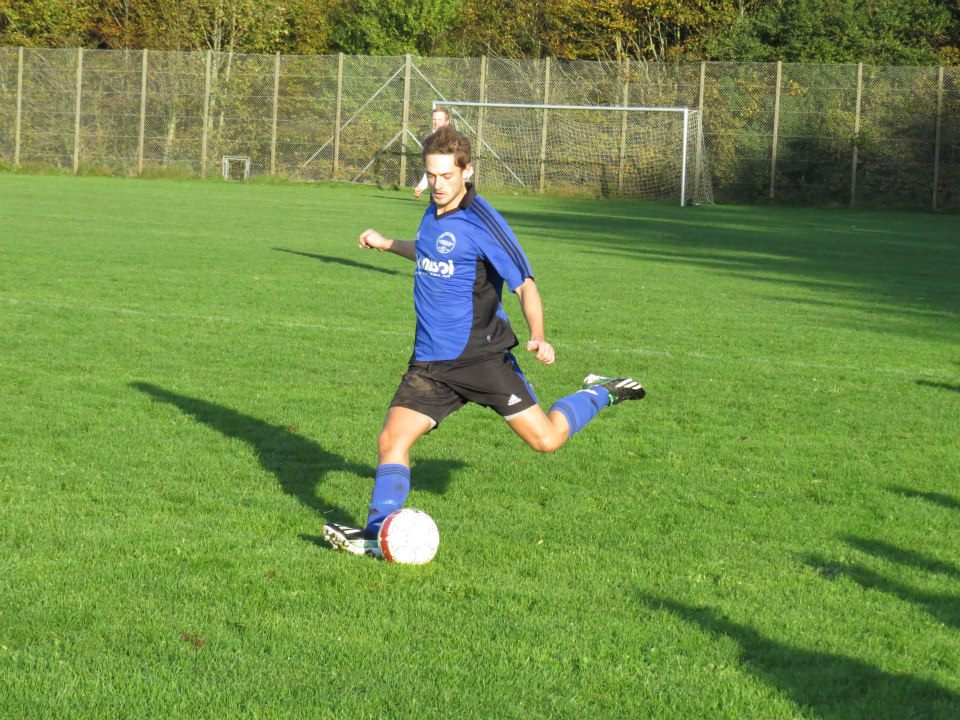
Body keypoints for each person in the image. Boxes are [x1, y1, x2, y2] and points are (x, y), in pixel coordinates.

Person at [323, 126, 645, 557]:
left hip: (482, 358)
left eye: (446, 176)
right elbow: (432, 249)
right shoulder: (434, 210)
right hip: (430, 362)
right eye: (431, 176)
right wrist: (387, 244)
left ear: (467, 171)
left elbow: (525, 285)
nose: (437, 185)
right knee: (391, 440)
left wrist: (538, 336)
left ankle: (600, 391)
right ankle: (377, 535)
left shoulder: (484, 223)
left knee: (547, 440)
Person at [414, 106, 471, 196]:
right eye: (434, 119)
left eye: (440, 120)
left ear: (447, 122)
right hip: (437, 192)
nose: (436, 122)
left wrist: (458, 182)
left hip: (454, 192)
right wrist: (422, 185)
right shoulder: (430, 142)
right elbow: (431, 168)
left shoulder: (456, 141)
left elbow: (468, 169)